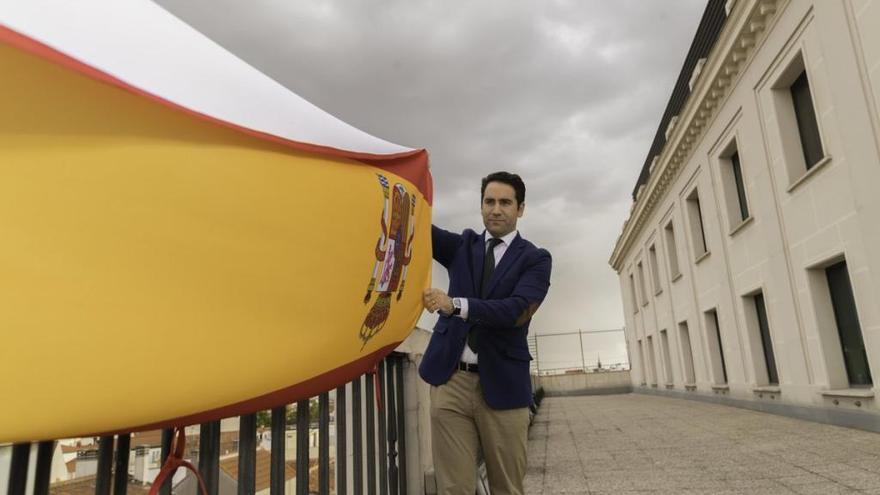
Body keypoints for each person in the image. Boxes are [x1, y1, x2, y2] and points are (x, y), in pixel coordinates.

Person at [419, 171, 552, 495]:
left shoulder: (535, 259)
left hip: (504, 386)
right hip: (451, 382)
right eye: (489, 201)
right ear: (481, 206)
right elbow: (415, 226)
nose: (496, 209)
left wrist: (456, 305)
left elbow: (515, 311)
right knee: (454, 488)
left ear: (520, 209)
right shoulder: (462, 246)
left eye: (505, 202)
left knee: (506, 487)